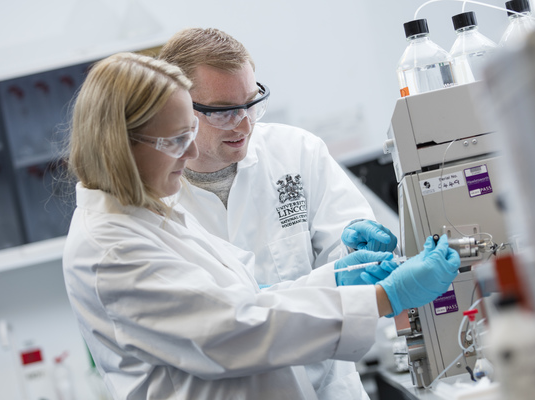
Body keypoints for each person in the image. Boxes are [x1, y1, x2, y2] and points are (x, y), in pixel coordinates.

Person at [62, 52, 460, 400]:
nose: (190, 151)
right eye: (176, 139)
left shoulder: (150, 217)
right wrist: (383, 297)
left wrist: (336, 278)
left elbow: (249, 296)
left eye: (190, 135)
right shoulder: (111, 246)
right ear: (120, 142)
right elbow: (231, 332)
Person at [158, 27, 399, 398]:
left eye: (252, 102)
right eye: (223, 112)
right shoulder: (154, 199)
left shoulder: (296, 152)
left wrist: (354, 253)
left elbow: (346, 261)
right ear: (177, 108)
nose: (245, 123)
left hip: (329, 388)